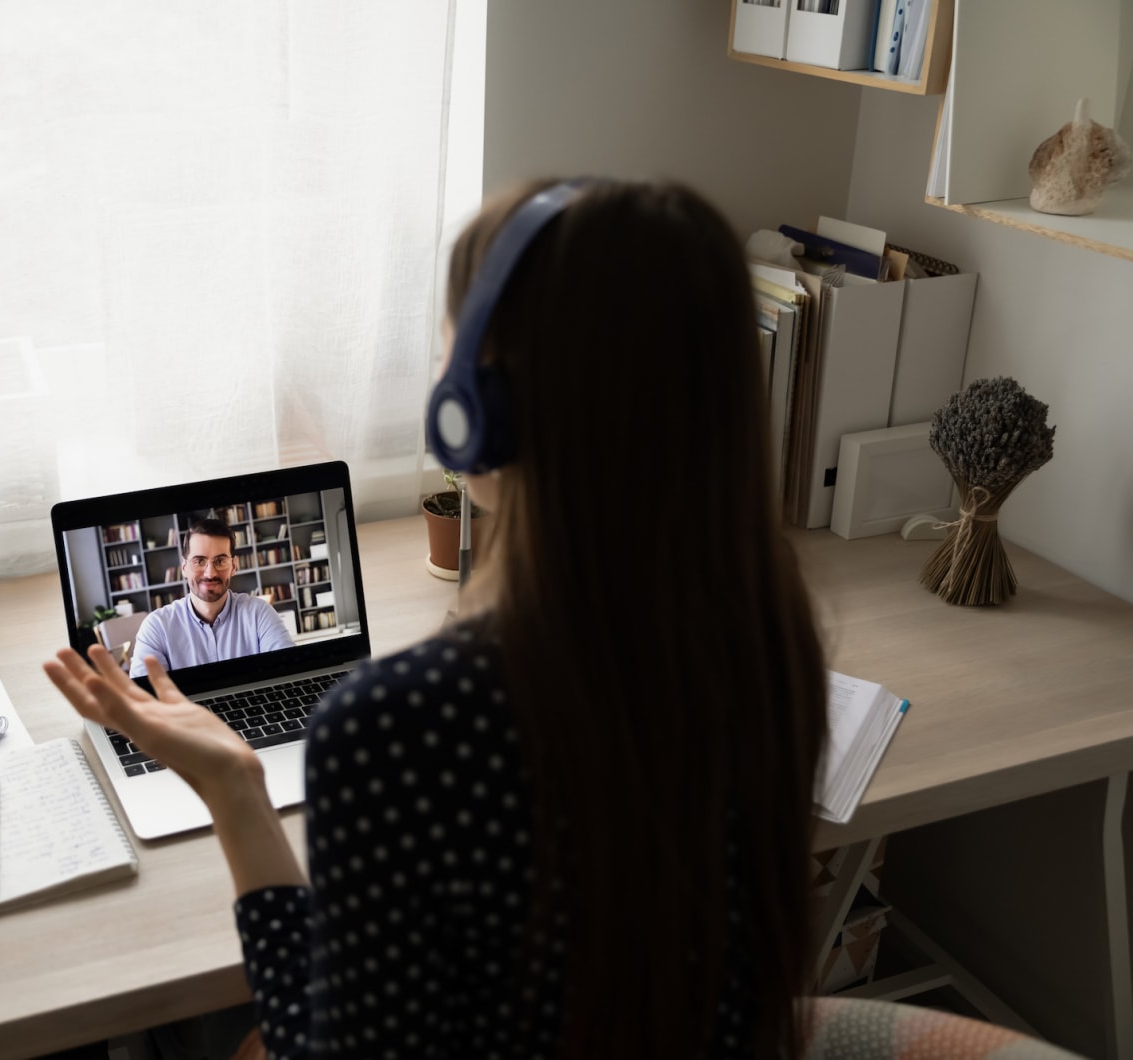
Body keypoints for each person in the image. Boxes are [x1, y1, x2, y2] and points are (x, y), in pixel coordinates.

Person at [45, 178, 827, 1058]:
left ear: (477, 411)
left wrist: (235, 793)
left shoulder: (401, 726)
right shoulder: (767, 638)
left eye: (450, 340)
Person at [127, 517, 296, 679]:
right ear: (184, 567)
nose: (210, 573)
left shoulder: (260, 613)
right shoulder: (157, 626)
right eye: (199, 561)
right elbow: (147, 697)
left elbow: (289, 674)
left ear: (234, 566)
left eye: (220, 561)